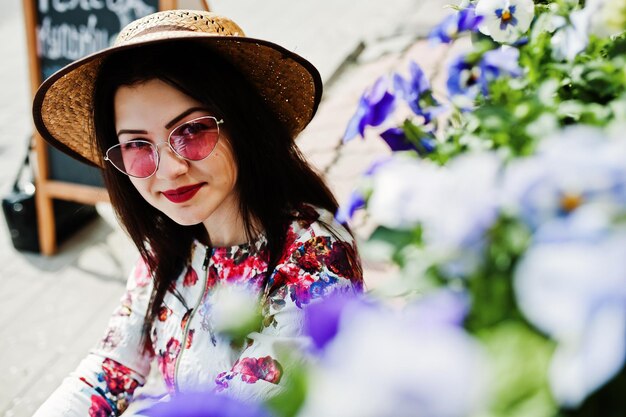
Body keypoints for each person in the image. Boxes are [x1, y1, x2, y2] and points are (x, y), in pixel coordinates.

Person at [32, 9, 363, 416]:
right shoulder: (168, 243)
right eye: (137, 145)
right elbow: (109, 368)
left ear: (242, 123)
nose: (170, 169)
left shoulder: (314, 261)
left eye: (191, 130)